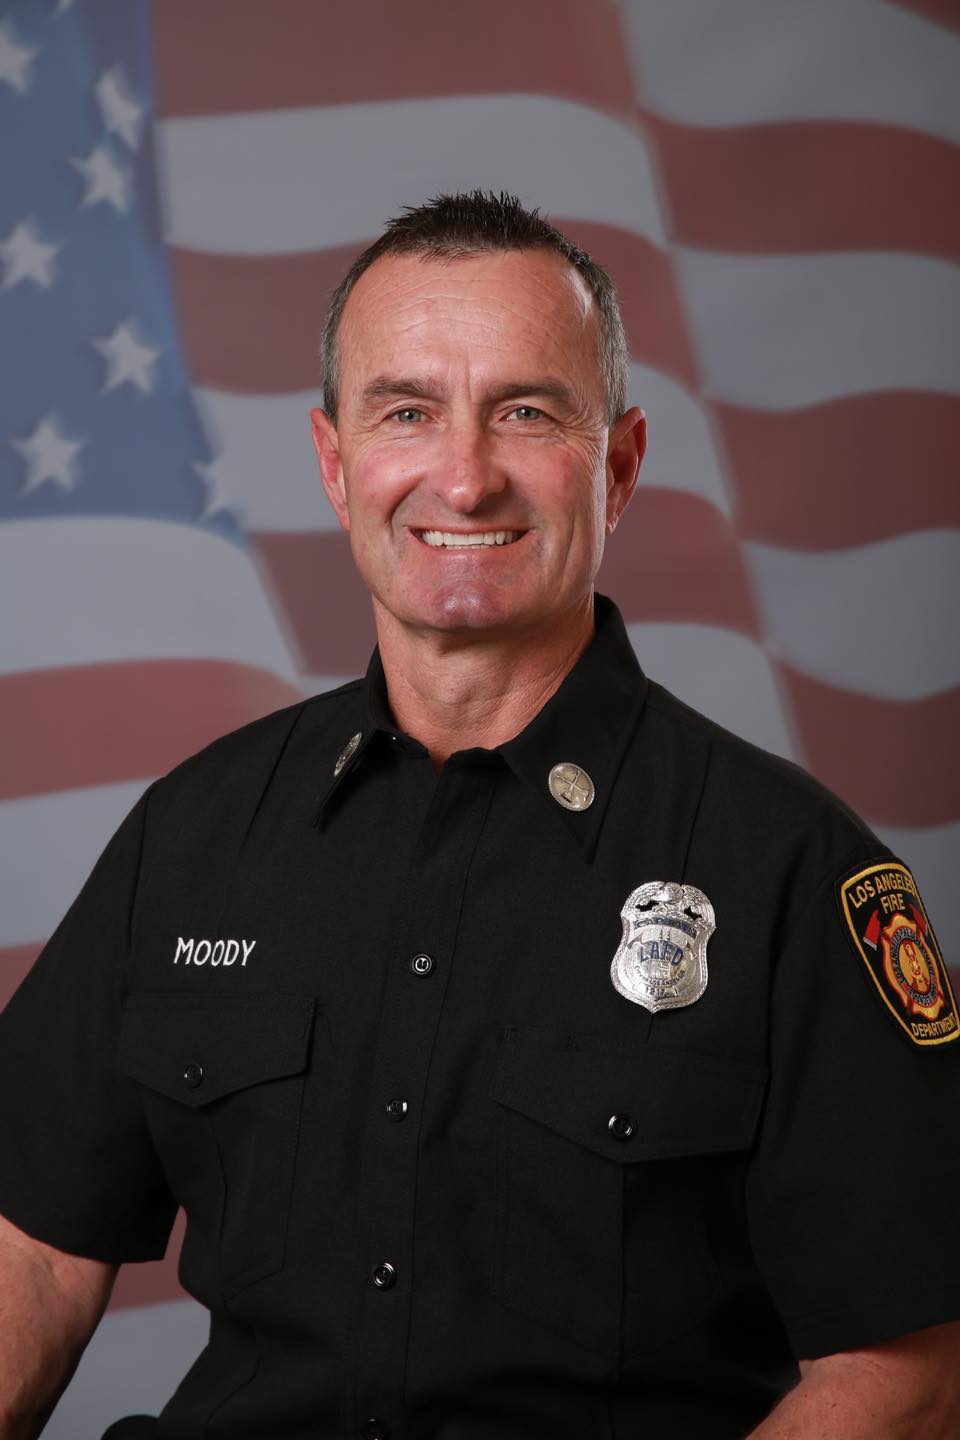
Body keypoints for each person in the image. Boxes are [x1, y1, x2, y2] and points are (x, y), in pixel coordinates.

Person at [1, 191, 959, 1440]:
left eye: (526, 412)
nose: (463, 474)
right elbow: (29, 1258)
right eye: (407, 412)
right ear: (338, 467)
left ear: (617, 465)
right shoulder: (192, 838)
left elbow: (912, 1369)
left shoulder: (794, 874)